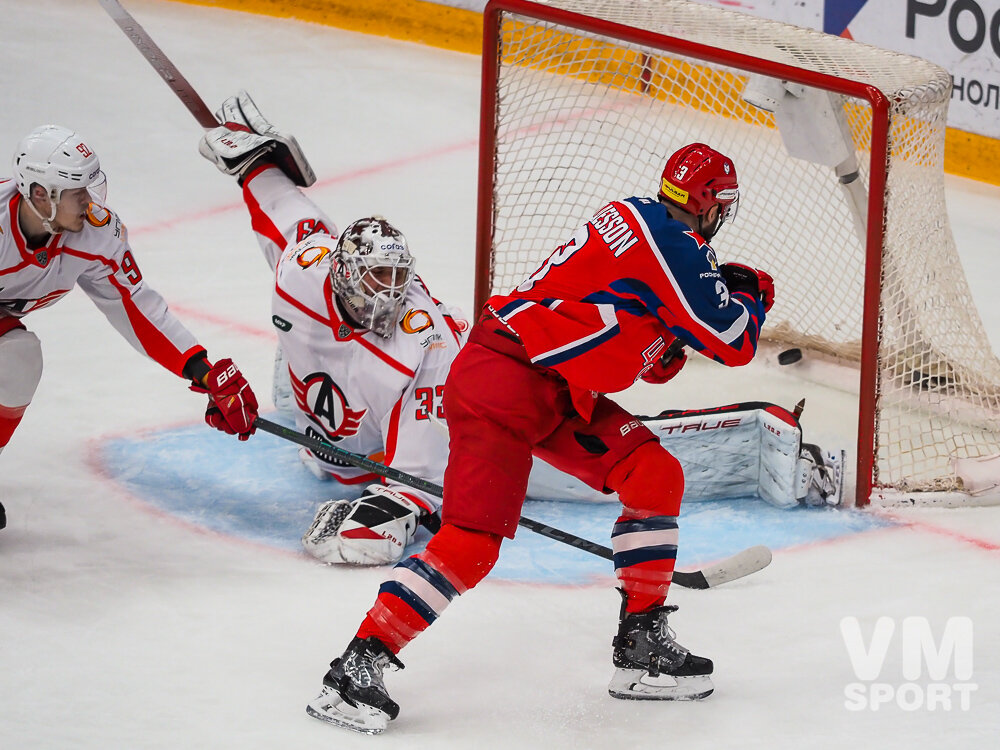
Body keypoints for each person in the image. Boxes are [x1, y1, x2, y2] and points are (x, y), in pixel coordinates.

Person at [197, 94, 842, 570]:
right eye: (373, 285)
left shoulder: (427, 344)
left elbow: (416, 478)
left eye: (399, 283)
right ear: (340, 276)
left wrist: (393, 504)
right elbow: (292, 218)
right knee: (512, 499)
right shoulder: (307, 272)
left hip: (489, 395)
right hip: (506, 389)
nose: (388, 299)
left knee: (593, 467)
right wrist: (257, 166)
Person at [302, 141, 776, 734]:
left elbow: (635, 341)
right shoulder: (674, 247)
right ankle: (355, 669)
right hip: (504, 383)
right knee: (471, 545)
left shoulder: (638, 220)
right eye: (722, 206)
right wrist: (752, 294)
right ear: (709, 205)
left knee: (654, 474)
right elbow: (735, 341)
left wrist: (668, 338)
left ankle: (641, 647)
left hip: (552, 390)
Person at [0, 125, 259, 531]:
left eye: (89, 187)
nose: (88, 201)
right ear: (39, 195)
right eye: (76, 192)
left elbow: (135, 305)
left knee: (18, 357)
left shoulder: (95, 233)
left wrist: (204, 373)